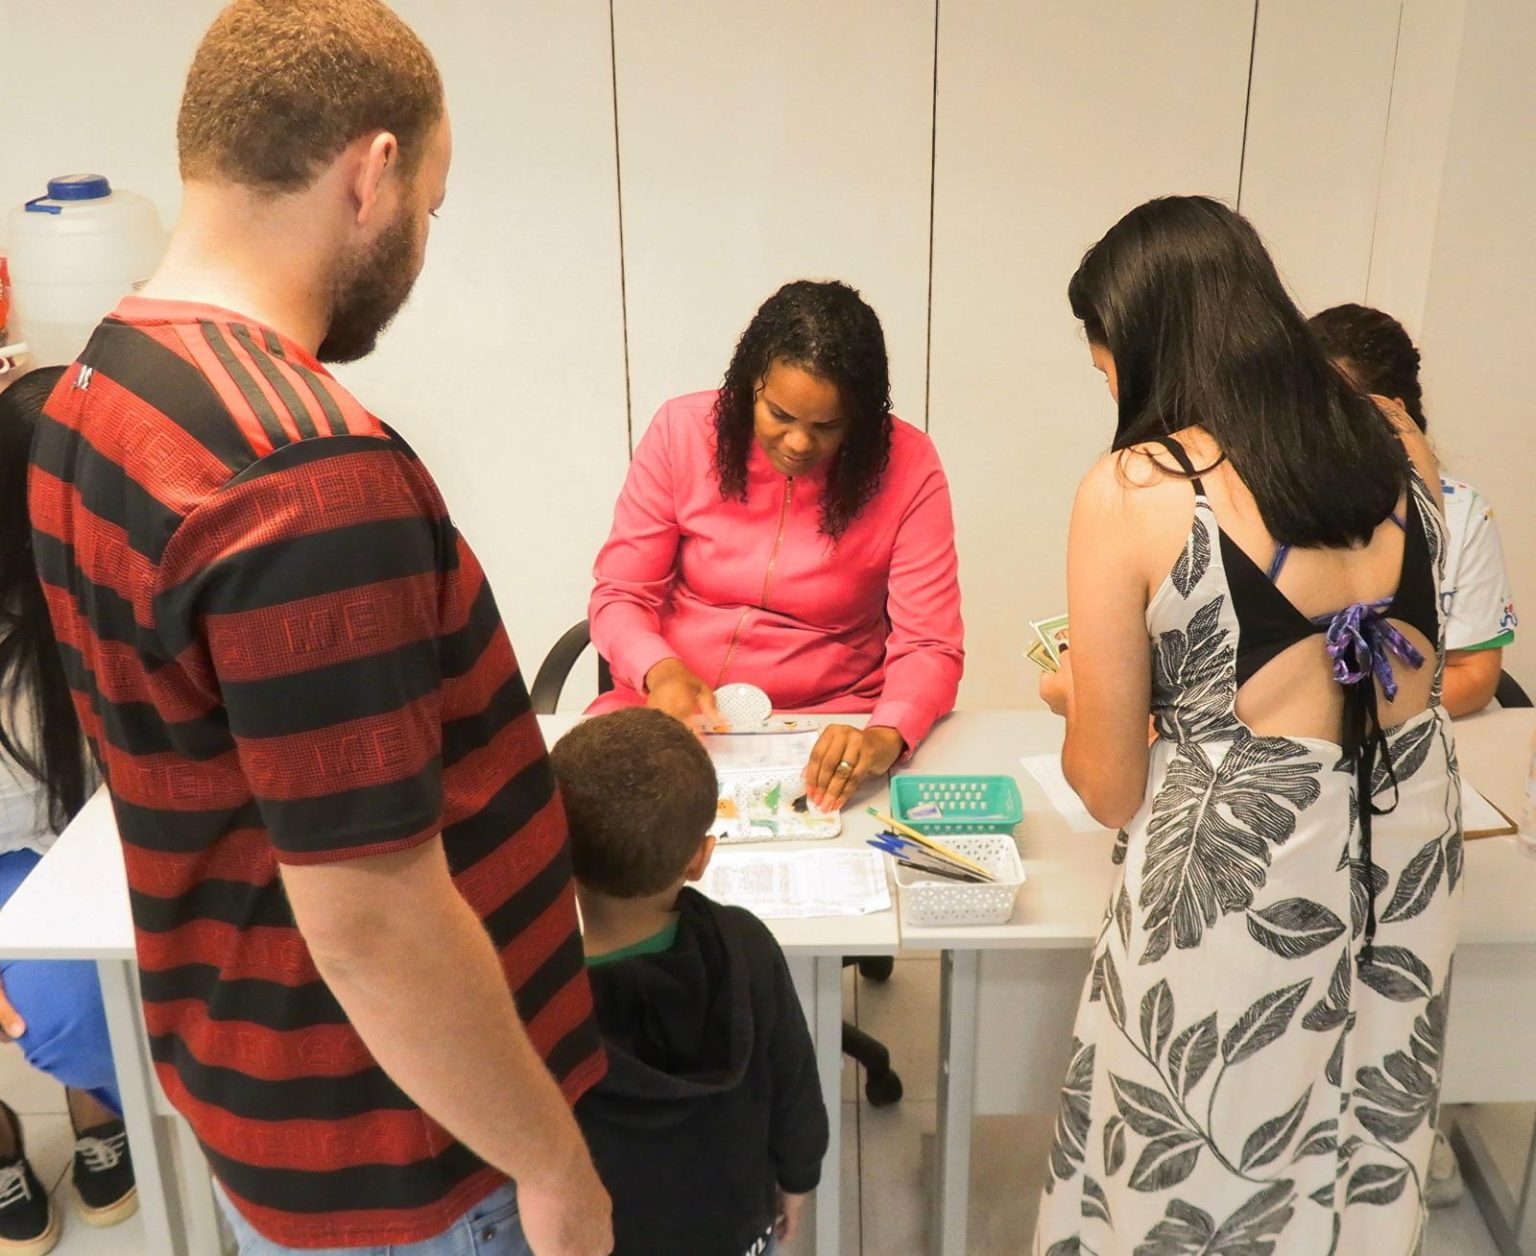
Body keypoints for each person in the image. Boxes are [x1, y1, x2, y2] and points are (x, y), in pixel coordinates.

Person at [26, 3, 612, 1252]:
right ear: (372, 171)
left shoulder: (93, 388)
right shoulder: (301, 475)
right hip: (413, 1156)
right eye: (431, 206)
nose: (422, 244)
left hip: (266, 1096)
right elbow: (375, 918)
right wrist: (552, 1161)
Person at [1033, 197, 1460, 1255]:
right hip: (1403, 858)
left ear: (1150, 348)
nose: (1116, 397)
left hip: (1244, 889)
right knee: (1364, 1146)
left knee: (1201, 1180)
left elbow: (1110, 788)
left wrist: (1088, 694)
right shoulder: (1392, 441)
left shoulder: (1135, 486)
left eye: (1109, 370)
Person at [588, 279, 964, 813]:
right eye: (780, 415)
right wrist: (660, 670)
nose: (799, 443)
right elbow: (620, 594)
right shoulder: (682, 431)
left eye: (828, 425)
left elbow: (930, 644)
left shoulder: (908, 464)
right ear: (749, 387)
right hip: (674, 708)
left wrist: (885, 735)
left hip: (830, 723)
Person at [550, 709, 828, 1256]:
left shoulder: (544, 997)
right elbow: (794, 1082)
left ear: (556, 852)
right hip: (736, 1228)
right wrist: (799, 1180)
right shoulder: (744, 944)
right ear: (700, 858)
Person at [0, 367, 136, 1255]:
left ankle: (101, 1111)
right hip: (10, 847)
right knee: (66, 1015)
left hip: (90, 831)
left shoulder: (122, 567)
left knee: (103, 1021)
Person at [1310, 303, 1517, 718]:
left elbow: (1475, 676)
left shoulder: (1460, 512)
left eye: (1329, 410)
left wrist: (1348, 722)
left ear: (1393, 415)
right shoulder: (1262, 509)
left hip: (1403, 735)